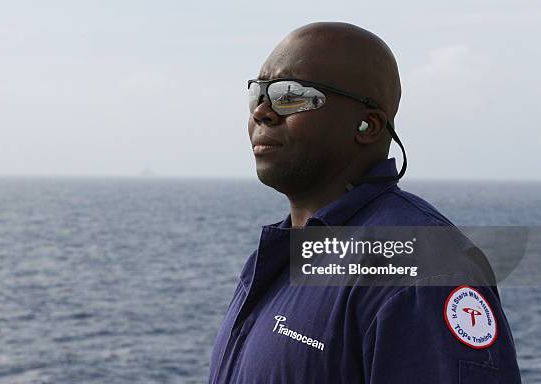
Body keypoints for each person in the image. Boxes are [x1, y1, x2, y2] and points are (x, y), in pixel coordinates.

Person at [207, 22, 521, 383]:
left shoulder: (420, 266)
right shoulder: (284, 253)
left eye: (290, 95)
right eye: (258, 94)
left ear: (368, 126)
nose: (263, 111)